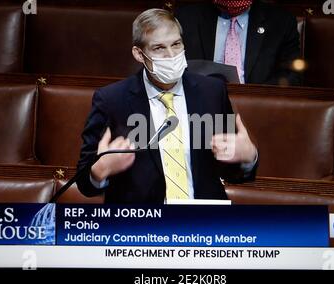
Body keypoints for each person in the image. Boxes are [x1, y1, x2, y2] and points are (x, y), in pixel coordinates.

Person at [76, 8, 258, 203]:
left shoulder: (212, 92)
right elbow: (84, 183)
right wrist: (101, 169)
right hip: (141, 225)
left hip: (203, 221)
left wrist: (248, 158)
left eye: (176, 44)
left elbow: (230, 172)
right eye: (159, 48)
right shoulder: (111, 100)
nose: (171, 55)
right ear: (139, 54)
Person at [175, 0, 302, 86]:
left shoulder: (281, 22)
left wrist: (255, 101)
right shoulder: (186, 18)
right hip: (203, 107)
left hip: (258, 109)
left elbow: (292, 77)